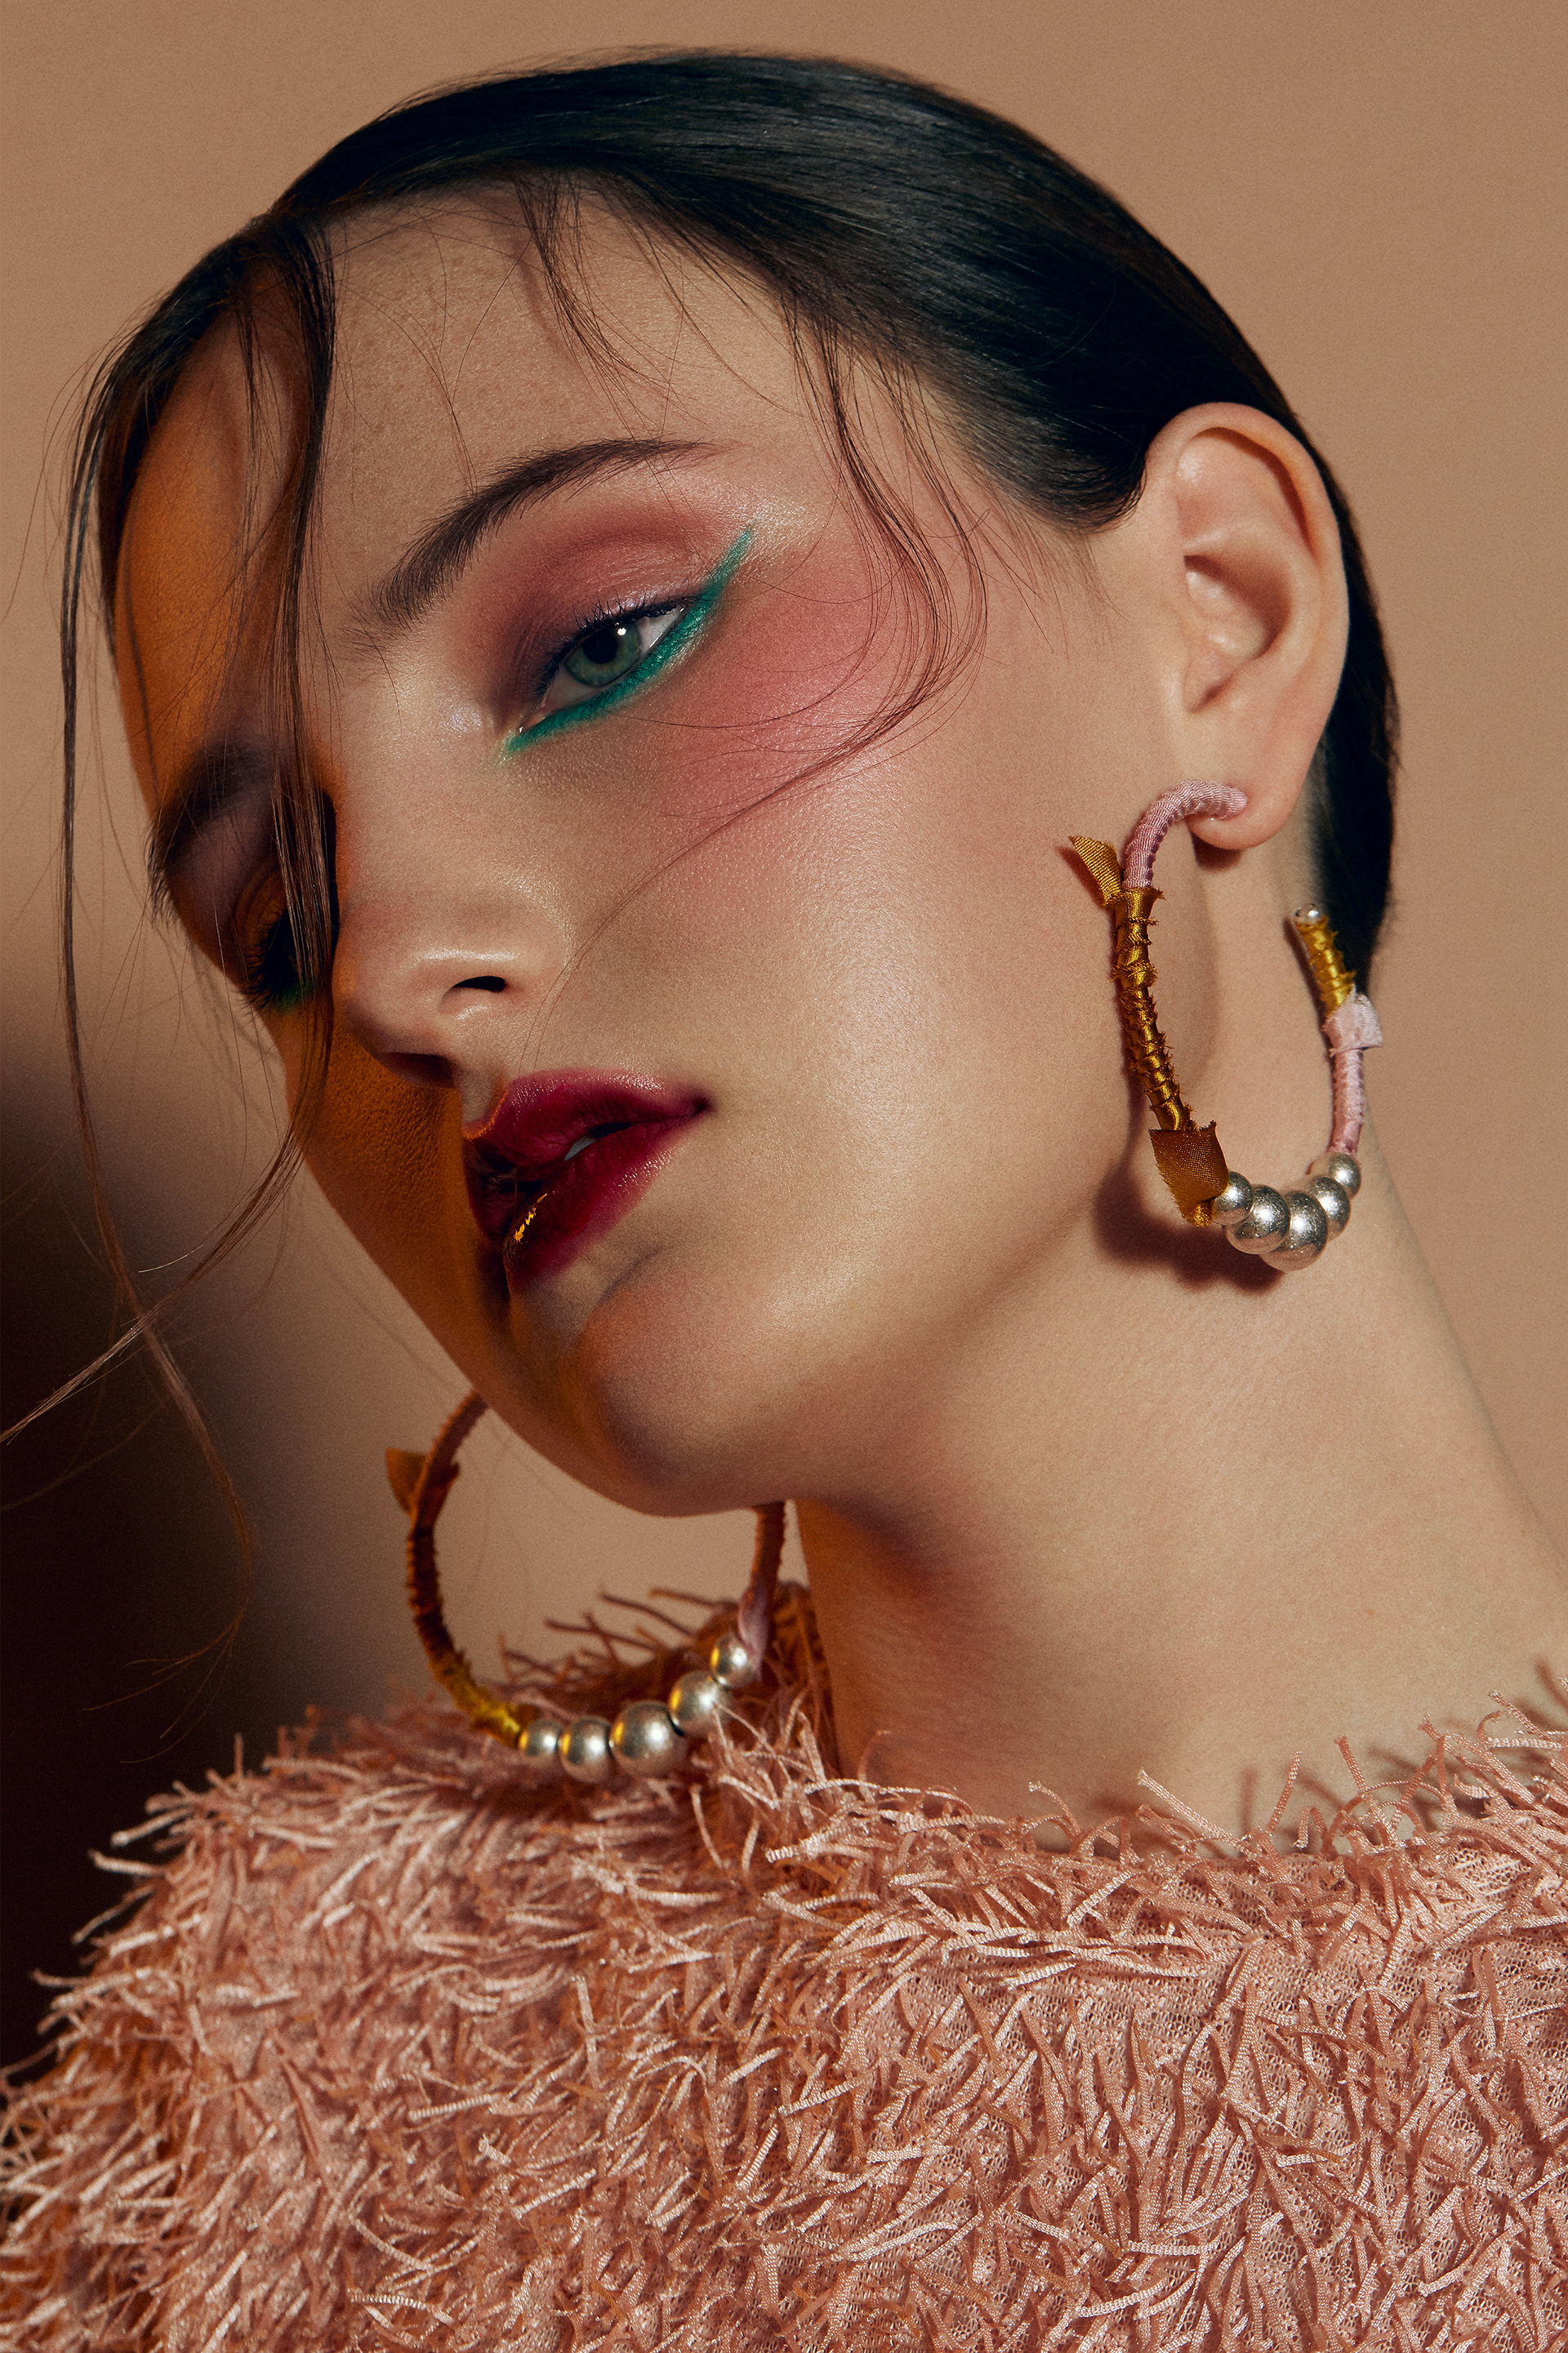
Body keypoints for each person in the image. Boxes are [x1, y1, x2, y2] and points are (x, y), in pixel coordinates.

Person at [3, 53, 1563, 2351]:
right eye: (278, 915)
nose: (403, 967)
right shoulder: (283, 2087)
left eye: (606, 639)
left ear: (1220, 621)